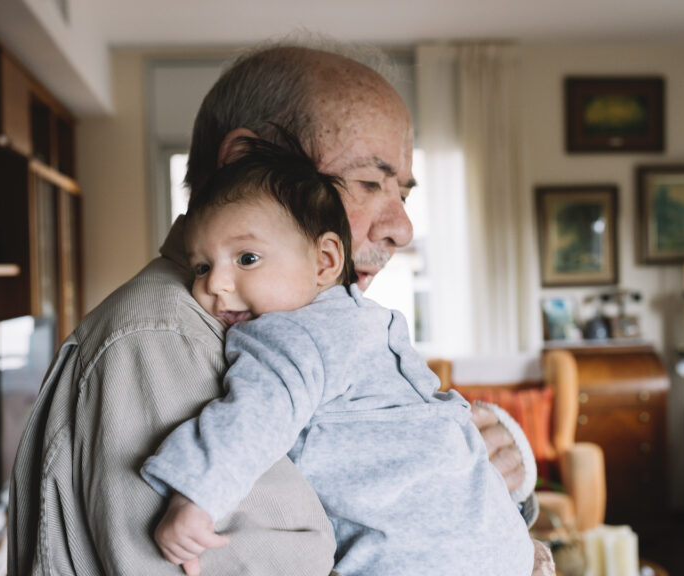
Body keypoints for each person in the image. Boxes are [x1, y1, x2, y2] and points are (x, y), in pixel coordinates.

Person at [9, 41, 550, 575]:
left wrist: (491, 466)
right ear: (246, 162)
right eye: (368, 182)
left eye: (402, 195)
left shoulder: (297, 323)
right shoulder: (164, 341)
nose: (403, 229)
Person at [141, 137, 536, 576]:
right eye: (201, 267)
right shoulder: (371, 320)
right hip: (499, 544)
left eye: (247, 258)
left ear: (325, 260)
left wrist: (194, 498)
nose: (215, 285)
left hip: (410, 558)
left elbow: (252, 417)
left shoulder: (286, 334)